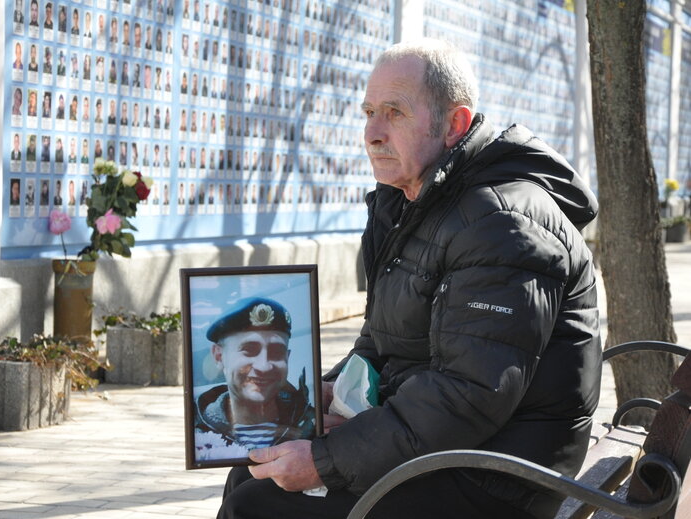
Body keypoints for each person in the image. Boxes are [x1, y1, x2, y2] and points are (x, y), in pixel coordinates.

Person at [217, 38, 601, 519]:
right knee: (250, 469)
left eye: (394, 113)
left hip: (496, 477)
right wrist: (321, 398)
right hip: (451, 448)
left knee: (261, 505)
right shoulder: (412, 202)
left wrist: (326, 461)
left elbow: (469, 392)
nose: (372, 133)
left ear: (454, 125)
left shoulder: (502, 223)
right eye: (368, 111)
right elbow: (381, 341)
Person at [194, 297, 315, 459]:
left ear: (287, 358)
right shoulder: (198, 431)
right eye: (249, 350)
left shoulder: (310, 425)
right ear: (219, 356)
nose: (263, 366)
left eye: (276, 352)